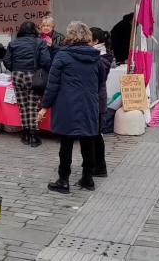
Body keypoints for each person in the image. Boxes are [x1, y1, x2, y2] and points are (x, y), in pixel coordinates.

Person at [39, 21, 107, 194]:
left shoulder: (62, 56)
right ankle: (87, 178)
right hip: (89, 103)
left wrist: (44, 107)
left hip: (66, 103)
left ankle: (63, 180)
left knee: (67, 142)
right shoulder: (96, 57)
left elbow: (52, 84)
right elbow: (101, 81)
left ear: (70, 36)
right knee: (88, 140)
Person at [4, 21, 51, 147]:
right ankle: (33, 136)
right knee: (33, 105)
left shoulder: (13, 43)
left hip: (17, 74)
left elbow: (7, 61)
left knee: (22, 105)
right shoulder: (39, 42)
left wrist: (15, 69)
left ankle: (25, 134)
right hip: (33, 75)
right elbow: (46, 61)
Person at [90, 27, 115, 178]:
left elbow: (100, 76)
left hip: (98, 99)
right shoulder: (98, 54)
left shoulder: (104, 56)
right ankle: (95, 164)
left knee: (96, 134)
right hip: (95, 98)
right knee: (94, 134)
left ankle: (100, 166)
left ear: (96, 41)